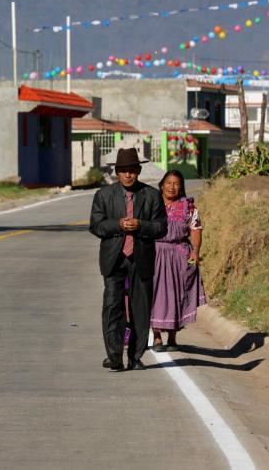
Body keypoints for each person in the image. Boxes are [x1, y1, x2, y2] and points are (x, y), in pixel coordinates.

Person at [90, 148, 168, 371]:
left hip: (141, 258)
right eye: (123, 171)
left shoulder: (151, 195)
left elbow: (162, 227)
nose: (127, 175)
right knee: (112, 306)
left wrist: (141, 225)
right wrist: (118, 225)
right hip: (114, 259)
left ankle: (135, 357)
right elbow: (96, 225)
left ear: (138, 171)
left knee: (140, 309)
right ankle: (114, 356)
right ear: (117, 172)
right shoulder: (103, 195)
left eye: (132, 170)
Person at [151, 170, 208, 352]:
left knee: (178, 293)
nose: (172, 187)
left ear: (181, 187)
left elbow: (196, 228)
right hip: (155, 253)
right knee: (155, 293)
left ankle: (173, 337)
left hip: (180, 255)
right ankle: (157, 337)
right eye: (168, 183)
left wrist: (195, 252)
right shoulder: (152, 204)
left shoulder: (188, 206)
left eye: (176, 184)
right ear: (162, 185)